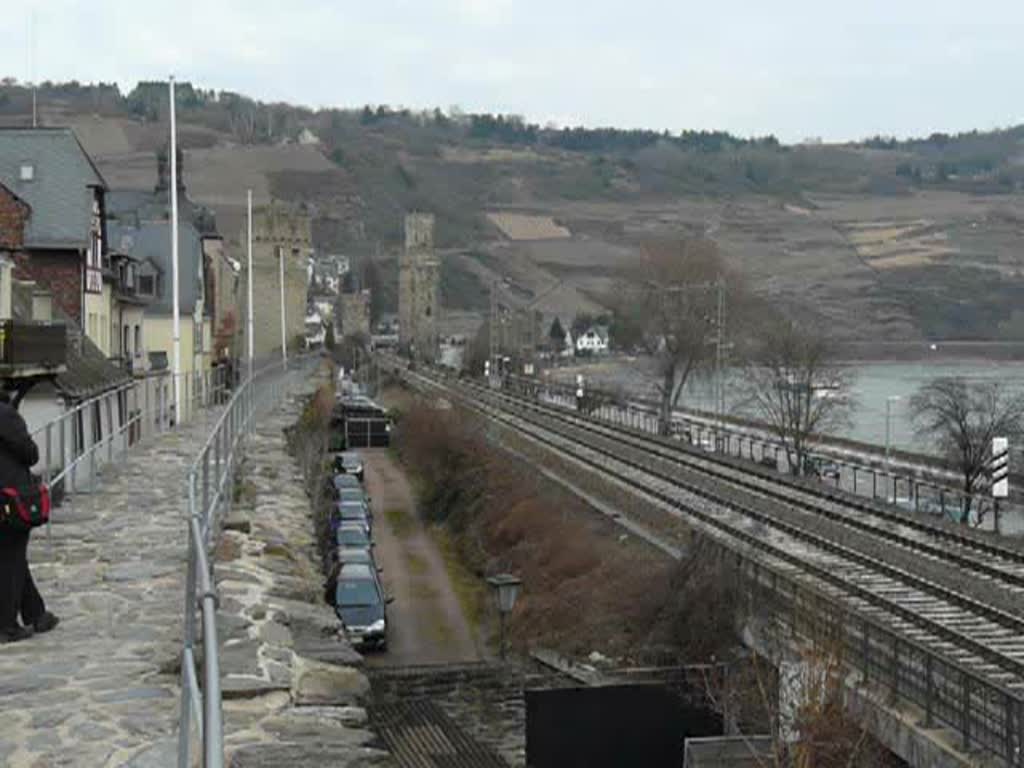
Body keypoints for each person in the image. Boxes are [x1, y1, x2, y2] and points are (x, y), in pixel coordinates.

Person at [0, 391, 59, 643]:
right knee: (11, 557)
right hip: (9, 498)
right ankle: (6, 626)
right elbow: (30, 453)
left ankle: (36, 614)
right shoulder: (5, 415)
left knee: (12, 557)